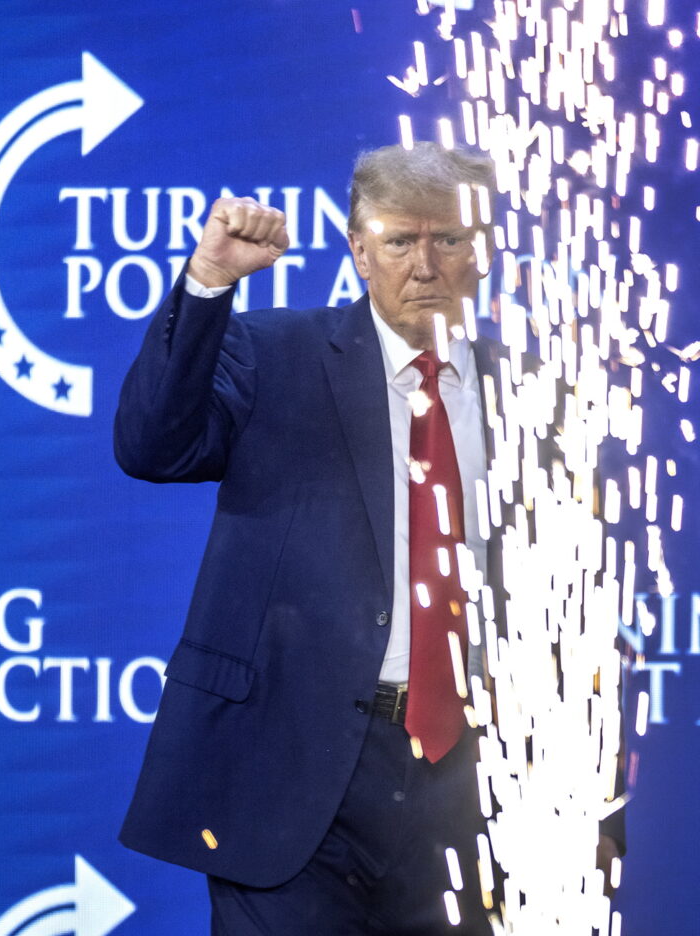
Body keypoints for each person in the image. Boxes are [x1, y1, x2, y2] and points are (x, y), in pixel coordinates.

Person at [114, 142, 621, 935]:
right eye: (398, 241)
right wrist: (208, 282)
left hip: (474, 787)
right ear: (359, 250)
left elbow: (571, 609)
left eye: (447, 240)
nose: (424, 265)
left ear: (481, 250)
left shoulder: (540, 400)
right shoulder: (271, 351)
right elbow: (152, 447)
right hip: (289, 770)